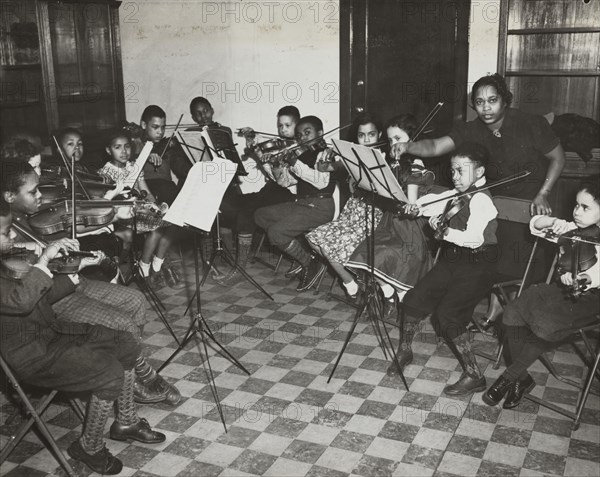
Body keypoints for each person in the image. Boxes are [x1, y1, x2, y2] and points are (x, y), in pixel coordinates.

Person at [0, 207, 166, 475]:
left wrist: (74, 272)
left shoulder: (6, 260)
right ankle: (89, 447)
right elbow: (21, 301)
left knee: (125, 341)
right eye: (6, 232)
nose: (13, 237)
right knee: (109, 372)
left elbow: (41, 297)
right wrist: (43, 260)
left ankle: (126, 421)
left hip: (53, 333)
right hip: (32, 356)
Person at [0, 160, 181, 405]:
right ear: (8, 196)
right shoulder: (8, 233)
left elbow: (68, 226)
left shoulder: (32, 217)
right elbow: (26, 289)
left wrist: (110, 213)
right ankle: (135, 382)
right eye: (33, 191)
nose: (42, 193)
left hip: (70, 280)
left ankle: (135, 374)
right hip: (54, 297)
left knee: (136, 300)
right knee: (122, 324)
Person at [391, 73, 566, 323]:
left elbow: (558, 158)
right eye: (480, 102)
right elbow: (436, 147)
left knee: (509, 259)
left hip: (531, 202)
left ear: (505, 100)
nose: (486, 108)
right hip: (492, 200)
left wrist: (544, 193)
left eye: (492, 100)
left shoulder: (530, 123)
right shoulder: (471, 129)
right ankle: (484, 307)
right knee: (482, 248)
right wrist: (408, 146)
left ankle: (504, 308)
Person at [483, 176, 600, 409]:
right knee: (513, 312)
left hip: (588, 299)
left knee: (545, 324)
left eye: (585, 207)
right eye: (576, 205)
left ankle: (510, 377)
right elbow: (534, 225)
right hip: (558, 291)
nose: (577, 211)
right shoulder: (571, 230)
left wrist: (584, 278)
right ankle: (522, 379)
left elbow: (597, 273)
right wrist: (550, 221)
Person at [401, 142, 499, 395]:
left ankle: (475, 375)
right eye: (453, 170)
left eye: (461, 171)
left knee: (448, 316)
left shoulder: (481, 200)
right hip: (454, 259)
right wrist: (416, 207)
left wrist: (443, 231)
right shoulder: (457, 194)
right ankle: (404, 351)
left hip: (479, 263)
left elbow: (474, 238)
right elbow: (434, 202)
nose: (455, 177)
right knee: (414, 298)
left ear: (479, 172)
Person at [345, 114, 438, 311]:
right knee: (365, 254)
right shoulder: (390, 164)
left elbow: (410, 203)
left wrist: (409, 205)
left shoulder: (415, 166)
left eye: (398, 139)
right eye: (390, 140)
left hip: (409, 229)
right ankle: (389, 293)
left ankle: (404, 299)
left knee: (388, 259)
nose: (393, 144)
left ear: (412, 142)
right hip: (389, 222)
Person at [304, 112, 385, 295]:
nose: (366, 140)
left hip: (372, 218)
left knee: (330, 248)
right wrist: (327, 154)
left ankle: (358, 282)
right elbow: (322, 167)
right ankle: (350, 281)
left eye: (371, 135)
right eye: (361, 135)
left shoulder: (382, 159)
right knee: (313, 237)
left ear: (380, 135)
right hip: (350, 215)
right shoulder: (351, 157)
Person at [254, 115, 336, 289]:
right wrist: (275, 166)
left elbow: (321, 182)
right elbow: (285, 182)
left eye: (307, 133)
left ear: (320, 133)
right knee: (261, 215)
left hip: (320, 207)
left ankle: (310, 264)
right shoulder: (303, 155)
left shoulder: (326, 153)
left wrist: (295, 162)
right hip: (301, 204)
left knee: (276, 233)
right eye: (299, 135)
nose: (302, 138)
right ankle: (308, 256)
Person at [99, 129, 184, 289]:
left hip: (139, 210)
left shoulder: (134, 166)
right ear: (108, 150)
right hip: (121, 215)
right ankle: (144, 267)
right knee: (157, 229)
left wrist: (156, 206)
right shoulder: (105, 173)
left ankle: (157, 264)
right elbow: (106, 202)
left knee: (174, 221)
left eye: (127, 147)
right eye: (118, 147)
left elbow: (147, 192)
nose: (124, 151)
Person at [135, 105, 190, 205]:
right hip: (147, 192)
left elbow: (181, 168)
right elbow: (129, 159)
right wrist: (145, 155)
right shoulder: (135, 144)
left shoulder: (168, 146)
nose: (160, 132)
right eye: (155, 127)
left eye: (163, 127)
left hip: (168, 191)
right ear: (143, 125)